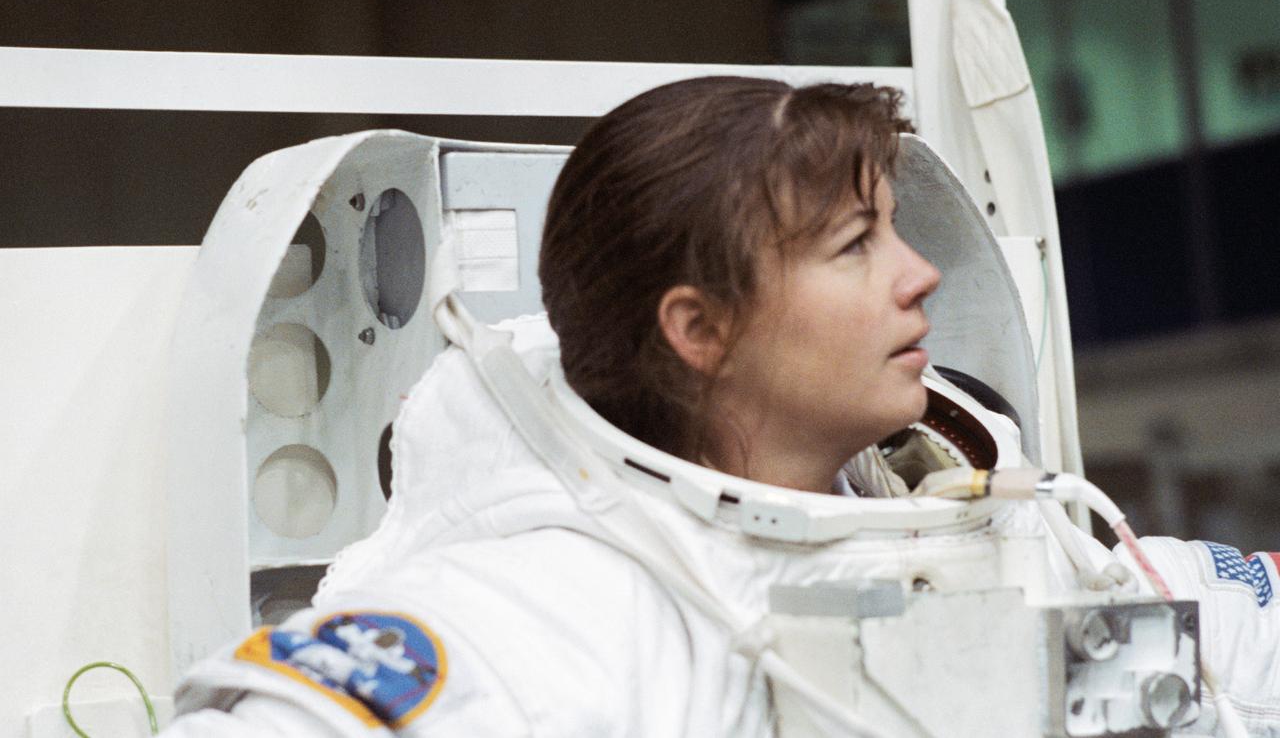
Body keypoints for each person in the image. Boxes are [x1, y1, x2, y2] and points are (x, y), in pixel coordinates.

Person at [162, 77, 1280, 737]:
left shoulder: (1002, 527)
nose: (918, 273)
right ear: (699, 330)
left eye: (894, 227)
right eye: (856, 245)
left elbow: (1233, 621)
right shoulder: (530, 617)